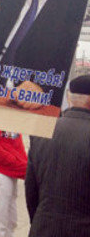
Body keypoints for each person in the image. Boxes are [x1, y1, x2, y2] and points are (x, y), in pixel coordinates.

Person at [25, 74, 90, 237]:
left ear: (69, 97)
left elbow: (31, 190)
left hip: (43, 228)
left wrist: (40, 222)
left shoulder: (43, 130)